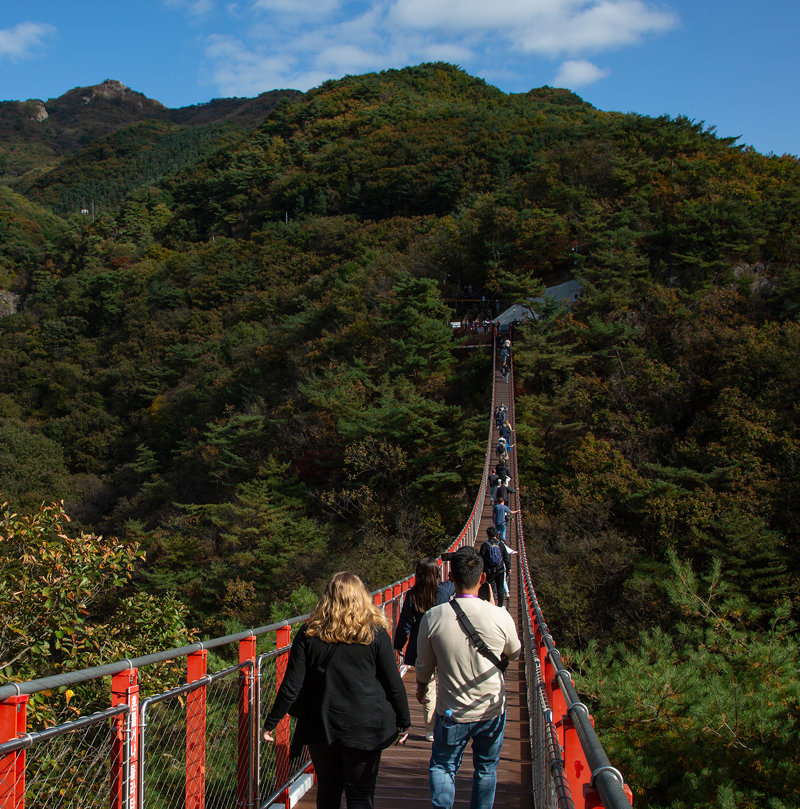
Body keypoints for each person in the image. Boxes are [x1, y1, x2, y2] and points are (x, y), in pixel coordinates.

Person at [262, 572, 410, 809]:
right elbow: (393, 682)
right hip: (365, 725)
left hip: (322, 724)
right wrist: (404, 720)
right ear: (361, 597)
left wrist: (272, 721)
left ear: (327, 598)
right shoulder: (374, 633)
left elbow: (291, 686)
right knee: (361, 794)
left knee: (329, 790)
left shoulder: (308, 634)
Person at [415, 547, 521, 809]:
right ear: (483, 578)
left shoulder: (433, 617)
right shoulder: (500, 616)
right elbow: (515, 652)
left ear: (450, 576)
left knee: (443, 765)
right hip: (491, 708)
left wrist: (420, 689)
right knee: (486, 769)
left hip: (452, 711)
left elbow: (424, 667)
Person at [393, 558, 455, 742]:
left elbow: (405, 623)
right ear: (437, 574)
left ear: (418, 575)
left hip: (421, 645)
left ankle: (430, 728)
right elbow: (459, 586)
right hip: (444, 643)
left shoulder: (413, 595)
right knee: (445, 683)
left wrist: (399, 644)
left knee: (427, 687)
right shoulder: (445, 590)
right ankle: (444, 720)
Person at [479, 527, 510, 609]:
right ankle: (500, 606)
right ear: (496, 534)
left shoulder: (485, 545)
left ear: (487, 535)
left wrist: (480, 570)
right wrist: (508, 568)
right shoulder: (501, 544)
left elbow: (480, 558)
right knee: (500, 588)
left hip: (489, 571)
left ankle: (491, 604)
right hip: (500, 569)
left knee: (490, 588)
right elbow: (506, 557)